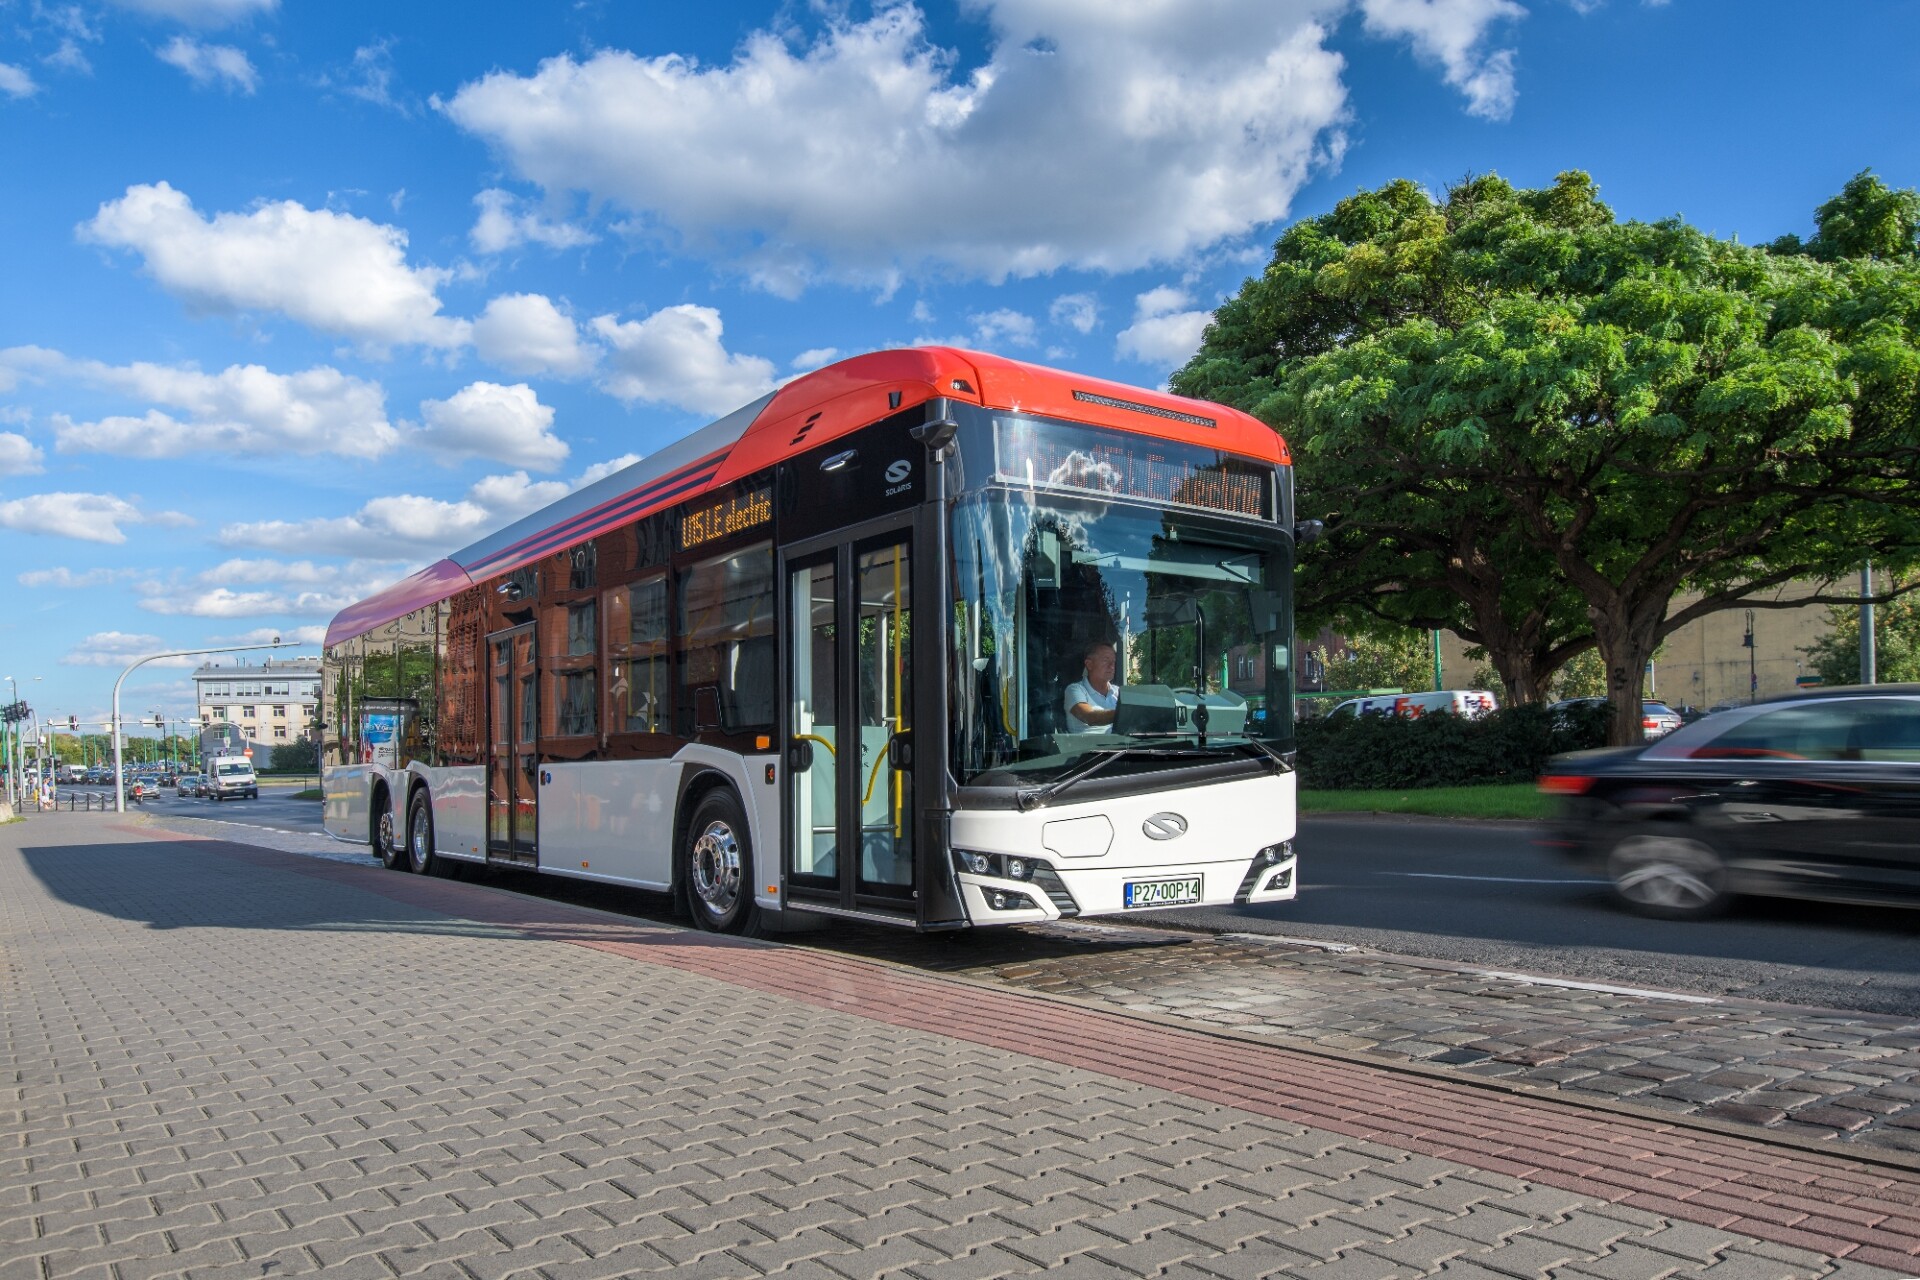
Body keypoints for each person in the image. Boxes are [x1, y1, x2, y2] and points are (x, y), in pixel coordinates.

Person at [1064, 639, 1121, 732]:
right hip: (1087, 746)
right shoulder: (1075, 690)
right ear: (1089, 664)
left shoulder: (1119, 692)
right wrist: (1126, 714)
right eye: (1106, 660)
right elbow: (1089, 717)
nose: (1112, 666)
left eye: (1113, 661)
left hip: (1123, 745)